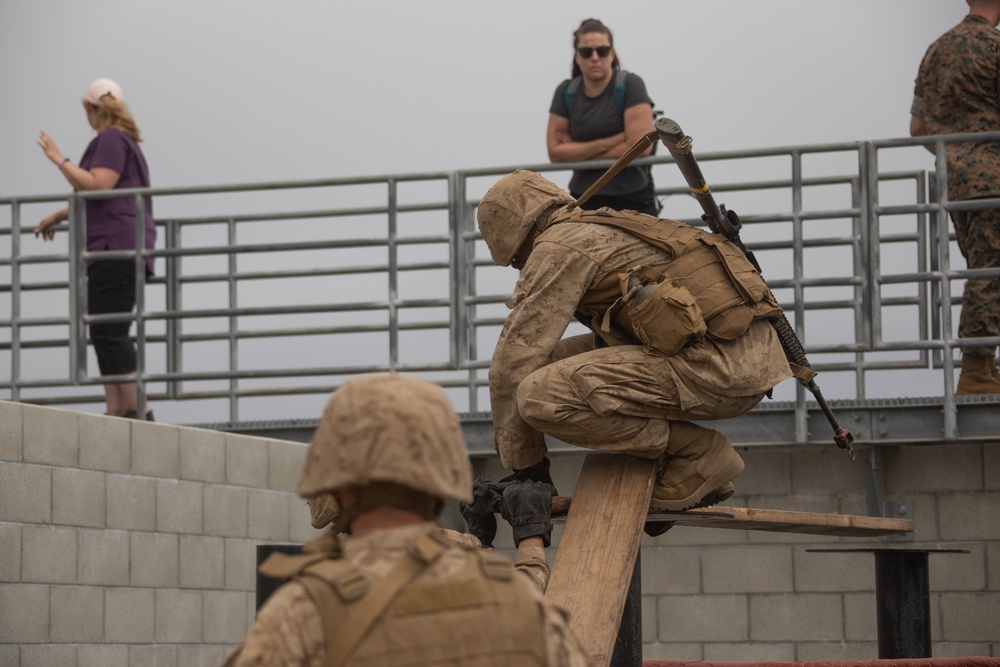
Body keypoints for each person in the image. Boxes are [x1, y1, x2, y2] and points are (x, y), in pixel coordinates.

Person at [476, 170, 793, 518]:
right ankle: (682, 462)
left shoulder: (560, 246)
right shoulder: (602, 225)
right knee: (541, 371)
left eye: (516, 260)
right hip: (733, 357)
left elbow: (514, 359)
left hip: (718, 366)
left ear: (517, 234)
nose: (519, 269)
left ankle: (695, 453)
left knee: (538, 396)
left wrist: (527, 469)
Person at [225, 373, 592, 667]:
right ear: (438, 483)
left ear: (335, 487)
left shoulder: (300, 614)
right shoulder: (511, 603)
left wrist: (480, 544)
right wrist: (529, 537)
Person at [35, 78, 157, 418]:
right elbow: (96, 194)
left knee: (110, 330)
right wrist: (61, 216)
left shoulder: (111, 140)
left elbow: (98, 186)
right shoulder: (120, 141)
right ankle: (118, 411)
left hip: (115, 247)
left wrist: (59, 159)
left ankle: (140, 411)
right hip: (119, 245)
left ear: (90, 108)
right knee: (104, 329)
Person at [910, 0, 1000, 394]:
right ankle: (977, 372)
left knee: (984, 269)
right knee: (991, 270)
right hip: (993, 178)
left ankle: (985, 368)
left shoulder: (936, 51)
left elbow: (918, 127)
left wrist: (958, 155)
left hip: (954, 179)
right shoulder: (993, 48)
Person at [546, 18, 658, 216]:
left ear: (612, 53)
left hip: (634, 197)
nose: (595, 57)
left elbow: (641, 147)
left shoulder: (631, 85)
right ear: (577, 57)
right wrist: (616, 140)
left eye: (602, 50)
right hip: (584, 197)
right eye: (586, 52)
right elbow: (555, 152)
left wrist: (580, 152)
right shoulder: (565, 92)